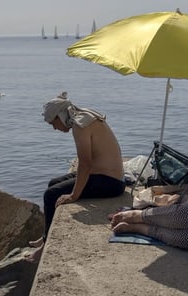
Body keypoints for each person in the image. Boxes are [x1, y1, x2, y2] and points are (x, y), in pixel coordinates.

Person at [27, 91, 126, 261]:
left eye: (53, 123)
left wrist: (74, 195)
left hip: (111, 182)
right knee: (53, 183)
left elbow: (85, 163)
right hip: (105, 175)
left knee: (51, 195)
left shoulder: (81, 125)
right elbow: (86, 163)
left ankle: (45, 246)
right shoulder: (82, 117)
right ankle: (46, 234)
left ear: (60, 116)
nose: (54, 128)